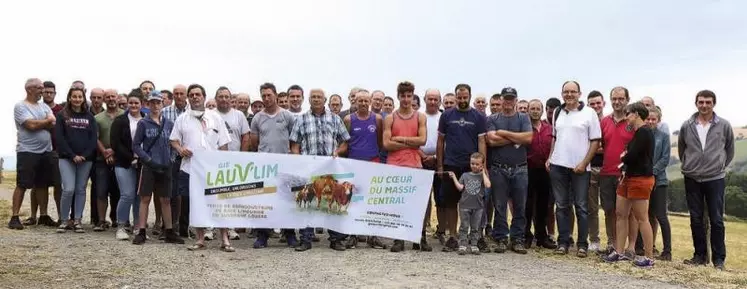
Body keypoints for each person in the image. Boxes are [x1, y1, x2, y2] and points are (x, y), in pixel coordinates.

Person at [170, 84, 234, 252]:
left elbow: (224, 143)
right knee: (195, 204)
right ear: (188, 98)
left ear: (204, 97)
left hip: (214, 170)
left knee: (219, 203)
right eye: (191, 95)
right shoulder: (182, 119)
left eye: (198, 94)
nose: (195, 97)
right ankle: (200, 239)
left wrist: (224, 165)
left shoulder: (215, 118)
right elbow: (173, 140)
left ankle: (225, 239)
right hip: (190, 168)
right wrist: (180, 149)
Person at [678, 90, 733, 270]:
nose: (704, 105)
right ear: (696, 104)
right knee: (696, 218)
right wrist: (689, 165)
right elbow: (682, 149)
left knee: (717, 219)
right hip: (692, 177)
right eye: (701, 102)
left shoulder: (724, 125)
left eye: (708, 102)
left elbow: (729, 149)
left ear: (713, 104)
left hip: (715, 178)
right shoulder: (687, 125)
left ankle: (719, 260)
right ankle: (699, 256)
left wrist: (719, 165)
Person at [290, 88, 351, 252]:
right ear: (309, 100)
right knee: (308, 201)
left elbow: (345, 141)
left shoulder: (335, 119)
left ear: (325, 100)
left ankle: (335, 239)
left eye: (319, 97)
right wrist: (299, 160)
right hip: (309, 167)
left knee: (331, 201)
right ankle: (305, 239)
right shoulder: (301, 119)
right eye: (313, 97)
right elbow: (294, 144)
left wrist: (338, 151)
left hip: (330, 168)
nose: (316, 99)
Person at [546, 81, 601, 257]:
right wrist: (550, 157)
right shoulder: (557, 112)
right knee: (561, 206)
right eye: (566, 92)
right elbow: (555, 137)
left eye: (573, 92)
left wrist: (585, 163)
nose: (569, 95)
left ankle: (582, 244)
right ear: (562, 94)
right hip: (558, 166)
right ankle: (563, 242)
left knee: (581, 207)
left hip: (580, 168)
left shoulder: (589, 113)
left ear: (579, 93)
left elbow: (595, 141)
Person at [602, 102, 656, 268]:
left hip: (640, 179)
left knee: (642, 218)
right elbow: (629, 155)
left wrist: (625, 156)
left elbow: (631, 156)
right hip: (627, 178)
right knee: (621, 214)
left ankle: (649, 257)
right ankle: (619, 252)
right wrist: (625, 156)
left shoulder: (645, 132)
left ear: (637, 114)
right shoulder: (637, 133)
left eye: (629, 114)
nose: (627, 118)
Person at [437, 83, 487, 252]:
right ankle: (452, 236)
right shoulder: (446, 116)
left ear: (470, 97)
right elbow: (440, 141)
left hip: (471, 167)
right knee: (451, 202)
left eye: (465, 97)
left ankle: (475, 237)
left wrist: (483, 166)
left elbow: (481, 141)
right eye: (460, 97)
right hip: (451, 164)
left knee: (474, 203)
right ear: (456, 96)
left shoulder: (479, 117)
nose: (462, 100)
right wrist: (440, 164)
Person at [249, 83, 299, 248]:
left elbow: (294, 139)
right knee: (265, 200)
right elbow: (254, 143)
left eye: (269, 95)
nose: (266, 98)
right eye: (263, 96)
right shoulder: (257, 118)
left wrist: (292, 156)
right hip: (265, 167)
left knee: (286, 199)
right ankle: (263, 235)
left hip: (285, 165)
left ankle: (289, 233)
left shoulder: (287, 116)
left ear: (276, 95)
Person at [132, 91, 185, 245]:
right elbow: (135, 145)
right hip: (149, 166)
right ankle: (141, 231)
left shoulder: (169, 123)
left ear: (163, 104)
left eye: (158, 102)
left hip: (165, 166)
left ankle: (169, 231)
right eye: (152, 103)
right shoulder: (143, 123)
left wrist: (172, 158)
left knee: (166, 199)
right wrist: (147, 159)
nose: (155, 105)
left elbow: (174, 142)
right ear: (147, 104)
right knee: (145, 198)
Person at [486, 87, 532, 254]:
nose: (508, 101)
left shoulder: (523, 117)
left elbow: (528, 138)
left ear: (516, 100)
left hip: (520, 168)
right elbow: (491, 140)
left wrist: (504, 133)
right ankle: (501, 238)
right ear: (502, 99)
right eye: (506, 98)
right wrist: (516, 137)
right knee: (499, 205)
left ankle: (517, 238)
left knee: (520, 205)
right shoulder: (492, 118)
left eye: (511, 98)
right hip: (498, 168)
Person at [9, 78, 56, 230]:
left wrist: (40, 123)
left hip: (46, 151)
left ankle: (43, 215)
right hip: (27, 151)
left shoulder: (44, 107)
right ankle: (15, 217)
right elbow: (30, 125)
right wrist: (44, 122)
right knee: (22, 184)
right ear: (29, 89)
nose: (42, 91)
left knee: (42, 183)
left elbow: (53, 123)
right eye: (39, 88)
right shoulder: (20, 106)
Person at [342, 89, 387, 249]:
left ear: (369, 102)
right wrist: (335, 154)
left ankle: (373, 236)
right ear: (355, 101)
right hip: (354, 164)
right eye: (359, 100)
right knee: (353, 200)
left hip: (373, 163)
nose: (362, 103)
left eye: (365, 100)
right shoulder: (348, 119)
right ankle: (353, 235)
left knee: (372, 200)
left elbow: (381, 143)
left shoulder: (378, 119)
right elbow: (345, 143)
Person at [54, 87, 97, 233]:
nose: (77, 99)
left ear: (84, 99)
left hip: (86, 159)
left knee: (80, 189)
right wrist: (72, 155)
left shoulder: (89, 116)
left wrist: (84, 155)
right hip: (67, 158)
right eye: (75, 96)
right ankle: (64, 220)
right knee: (68, 189)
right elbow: (59, 138)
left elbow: (93, 138)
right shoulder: (62, 115)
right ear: (69, 98)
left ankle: (78, 220)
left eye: (80, 97)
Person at [634, 106, 672, 261]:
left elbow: (665, 158)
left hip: (659, 180)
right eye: (648, 119)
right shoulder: (640, 134)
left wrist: (652, 171)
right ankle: (639, 247)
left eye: (653, 119)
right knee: (643, 215)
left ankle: (667, 251)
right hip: (642, 180)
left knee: (660, 215)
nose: (650, 121)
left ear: (658, 120)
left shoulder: (663, 136)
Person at [110, 89, 145, 239]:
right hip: (123, 163)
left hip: (143, 164)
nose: (133, 105)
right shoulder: (120, 120)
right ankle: (121, 227)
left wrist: (142, 159)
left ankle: (138, 226)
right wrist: (131, 158)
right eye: (131, 102)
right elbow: (115, 143)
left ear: (142, 104)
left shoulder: (147, 119)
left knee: (139, 196)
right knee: (127, 194)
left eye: (136, 103)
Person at [525, 99, 557, 249]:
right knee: (528, 204)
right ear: (528, 110)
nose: (535, 111)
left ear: (542, 110)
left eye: (538, 108)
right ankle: (525, 235)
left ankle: (541, 236)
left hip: (545, 170)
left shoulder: (550, 129)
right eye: (532, 108)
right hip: (528, 169)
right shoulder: (524, 127)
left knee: (544, 205)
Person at [448, 152, 491, 255]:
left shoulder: (482, 176)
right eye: (472, 163)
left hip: (478, 206)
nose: (474, 166)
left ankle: (474, 244)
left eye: (477, 164)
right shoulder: (465, 175)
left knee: (475, 227)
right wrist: (454, 177)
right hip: (464, 206)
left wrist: (483, 172)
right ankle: (463, 244)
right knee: (464, 226)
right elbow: (460, 187)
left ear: (481, 165)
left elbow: (488, 185)